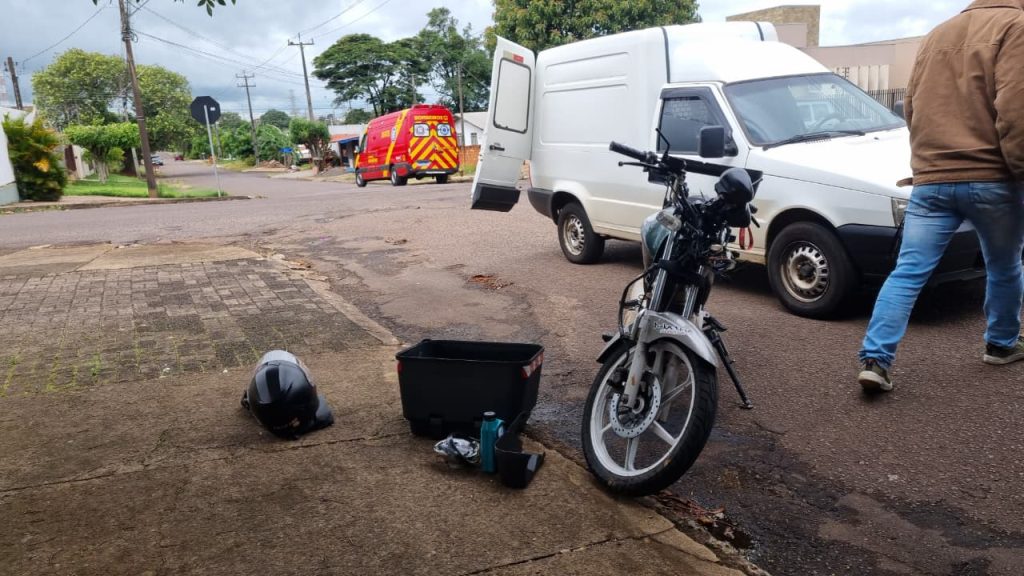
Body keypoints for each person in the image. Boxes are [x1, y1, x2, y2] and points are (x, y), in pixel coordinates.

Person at [858, 0, 1024, 393]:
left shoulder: (937, 34)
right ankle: (1001, 344)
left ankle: (875, 360)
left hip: (932, 180)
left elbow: (912, 107)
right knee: (1004, 266)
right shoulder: (1015, 25)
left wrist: (927, 164)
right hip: (992, 178)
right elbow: (1015, 110)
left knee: (908, 271)